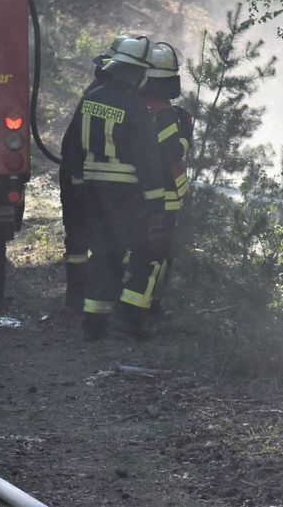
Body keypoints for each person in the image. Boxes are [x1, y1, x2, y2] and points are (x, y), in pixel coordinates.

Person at [62, 36, 168, 341]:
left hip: (93, 192)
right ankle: (131, 320)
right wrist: (156, 208)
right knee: (144, 252)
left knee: (104, 255)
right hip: (127, 195)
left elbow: (75, 151)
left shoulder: (90, 99)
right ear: (138, 73)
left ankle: (93, 324)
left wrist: (80, 187)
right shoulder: (136, 108)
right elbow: (148, 161)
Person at [58, 35, 131, 311]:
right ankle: (101, 300)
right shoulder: (113, 97)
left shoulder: (95, 91)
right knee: (106, 240)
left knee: (78, 238)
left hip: (78, 176)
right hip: (90, 180)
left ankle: (76, 299)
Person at [137, 42, 192, 318]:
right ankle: (149, 307)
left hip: (138, 194)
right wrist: (186, 136)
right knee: (158, 256)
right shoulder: (166, 114)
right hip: (165, 199)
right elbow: (172, 154)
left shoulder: (137, 107)